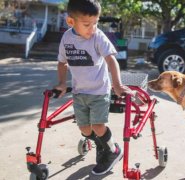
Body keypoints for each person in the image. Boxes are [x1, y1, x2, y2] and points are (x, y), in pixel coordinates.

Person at [54, 0, 132, 176]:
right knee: (85, 129)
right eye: (87, 24)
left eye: (96, 23)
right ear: (71, 22)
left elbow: (111, 60)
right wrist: (61, 82)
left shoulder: (98, 36)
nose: (93, 28)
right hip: (79, 92)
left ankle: (113, 150)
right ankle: (101, 145)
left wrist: (117, 85)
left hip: (99, 91)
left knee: (98, 126)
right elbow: (62, 62)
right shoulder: (67, 38)